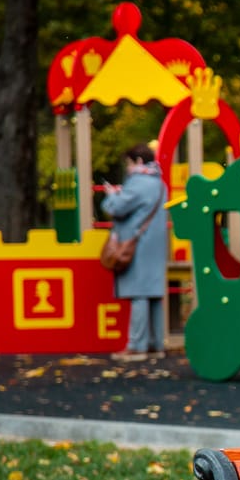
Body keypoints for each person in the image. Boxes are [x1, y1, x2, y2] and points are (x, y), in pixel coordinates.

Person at [101, 143, 169, 360]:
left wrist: (112, 195)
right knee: (154, 294)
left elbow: (115, 208)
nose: (128, 168)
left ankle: (136, 346)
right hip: (156, 244)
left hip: (137, 244)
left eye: (129, 163)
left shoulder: (138, 183)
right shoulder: (160, 184)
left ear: (138, 162)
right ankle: (155, 344)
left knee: (139, 293)